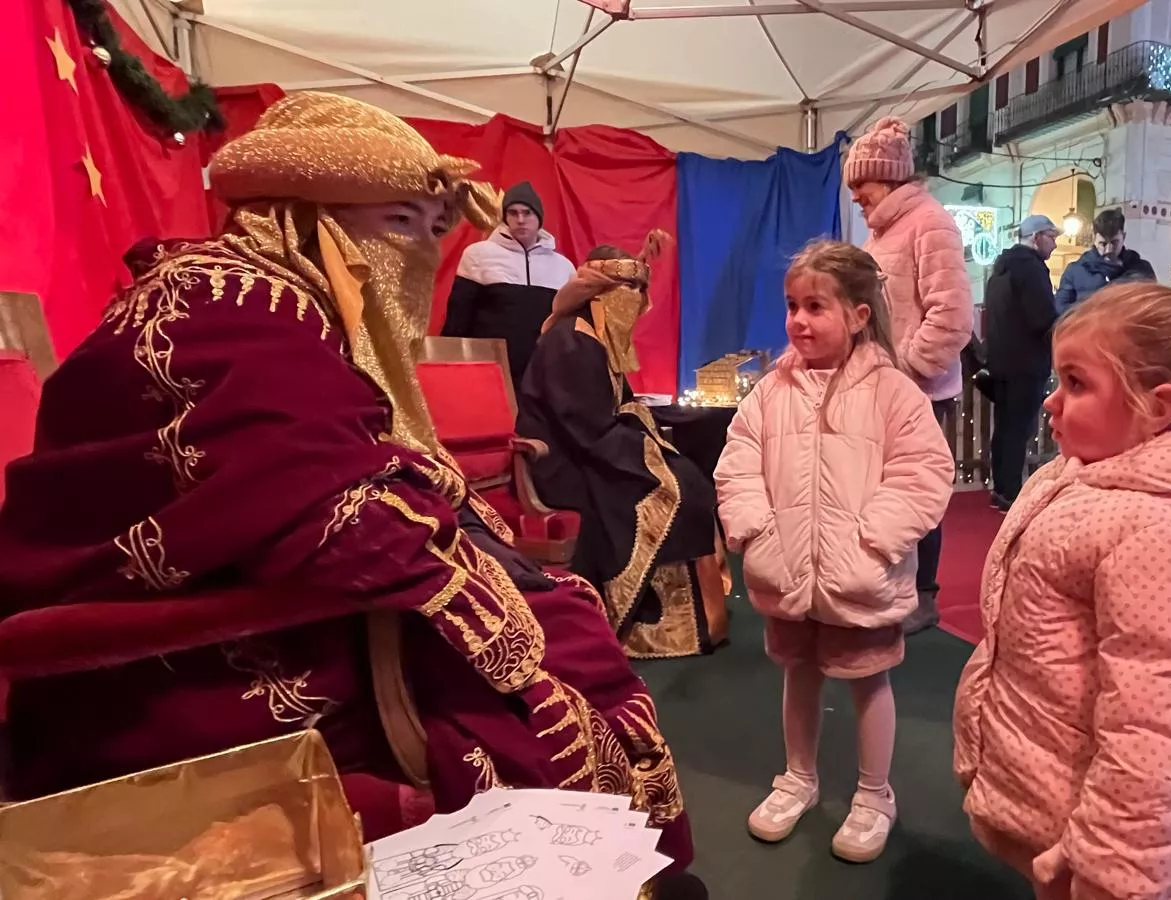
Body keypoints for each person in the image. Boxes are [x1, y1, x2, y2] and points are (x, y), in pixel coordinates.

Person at [0, 93, 700, 891]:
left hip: (277, 584)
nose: (420, 256)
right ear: (305, 220)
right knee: (554, 659)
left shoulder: (269, 298)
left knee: (594, 573)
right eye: (401, 224)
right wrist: (486, 577)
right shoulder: (241, 310)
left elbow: (344, 454)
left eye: (437, 230)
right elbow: (314, 494)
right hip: (194, 655)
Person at [953, 282, 1171, 900]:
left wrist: (1116, 865)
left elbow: (1157, 723)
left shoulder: (1163, 532)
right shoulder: (1088, 476)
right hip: (1064, 797)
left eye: (1076, 384)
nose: (1051, 402)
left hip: (1115, 841)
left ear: (1157, 408)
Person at [715, 240, 954, 864]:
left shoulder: (893, 392)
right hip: (788, 571)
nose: (799, 320)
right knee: (798, 674)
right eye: (792, 305)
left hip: (859, 577)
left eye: (816, 306)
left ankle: (875, 793)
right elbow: (738, 463)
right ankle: (798, 776)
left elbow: (923, 470)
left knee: (869, 682)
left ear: (857, 314)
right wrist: (756, 529)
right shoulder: (770, 391)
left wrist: (874, 539)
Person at [516, 237, 728, 659]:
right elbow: (586, 427)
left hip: (595, 449)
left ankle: (694, 617)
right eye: (625, 293)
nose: (634, 304)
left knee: (687, 476)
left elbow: (621, 406)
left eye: (638, 295)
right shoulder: (570, 341)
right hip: (567, 463)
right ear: (598, 295)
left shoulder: (599, 339)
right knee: (676, 490)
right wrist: (648, 449)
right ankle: (657, 622)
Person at [845, 115, 973, 634]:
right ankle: (894, 585)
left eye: (862, 184)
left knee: (919, 491)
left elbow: (952, 317)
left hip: (917, 391)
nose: (855, 196)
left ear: (890, 177)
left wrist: (904, 371)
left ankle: (924, 596)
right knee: (886, 492)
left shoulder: (930, 223)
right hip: (887, 388)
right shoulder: (884, 232)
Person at [441, 180, 576, 382]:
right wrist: (449, 369)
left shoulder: (563, 267)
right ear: (505, 217)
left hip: (543, 374)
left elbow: (569, 326)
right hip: (489, 372)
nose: (520, 219)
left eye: (527, 213)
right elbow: (458, 319)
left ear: (539, 218)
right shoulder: (479, 255)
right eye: (513, 213)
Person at [983, 214, 1060, 511]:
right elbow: (1042, 318)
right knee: (1018, 430)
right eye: (1051, 237)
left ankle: (1000, 487)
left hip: (1001, 362)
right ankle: (1011, 493)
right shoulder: (1031, 270)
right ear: (1036, 237)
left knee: (1004, 428)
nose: (1054, 245)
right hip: (1026, 363)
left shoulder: (1000, 268)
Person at [1052, 208, 1157, 316]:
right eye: (1103, 244)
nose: (1109, 250)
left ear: (1124, 237)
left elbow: (1154, 306)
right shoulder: (1075, 271)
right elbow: (1061, 308)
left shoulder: (1142, 270)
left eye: (1114, 242)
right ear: (1094, 239)